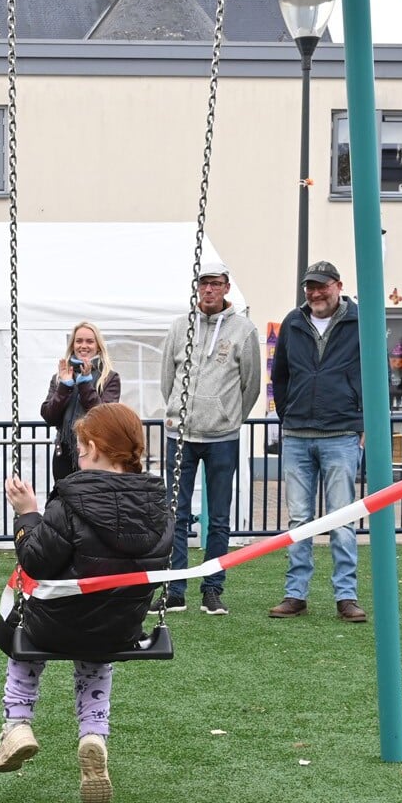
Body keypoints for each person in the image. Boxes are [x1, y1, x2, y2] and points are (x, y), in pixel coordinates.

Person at [0, 403, 172, 803]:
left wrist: (27, 515)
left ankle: (17, 724)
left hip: (57, 624)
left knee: (23, 628)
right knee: (96, 651)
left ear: (91, 446)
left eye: (79, 446)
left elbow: (35, 560)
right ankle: (93, 735)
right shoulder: (159, 505)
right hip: (120, 627)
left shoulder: (71, 499)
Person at [160, 262, 263, 616]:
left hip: (222, 436)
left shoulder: (244, 331)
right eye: (203, 284)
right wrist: (177, 410)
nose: (208, 290)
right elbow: (167, 378)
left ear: (226, 288)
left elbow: (250, 384)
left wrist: (230, 416)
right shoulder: (179, 328)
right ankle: (175, 589)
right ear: (197, 287)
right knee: (177, 514)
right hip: (181, 434)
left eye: (215, 284)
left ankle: (212, 588)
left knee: (218, 517)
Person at [267, 261, 367, 623]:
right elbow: (279, 374)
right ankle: (296, 593)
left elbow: (375, 374)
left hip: (341, 432)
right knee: (299, 519)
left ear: (338, 286)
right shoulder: (293, 323)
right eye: (309, 286)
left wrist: (362, 421)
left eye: (321, 286)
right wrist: (287, 414)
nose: (314, 293)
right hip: (297, 434)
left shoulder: (361, 322)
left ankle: (346, 595)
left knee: (343, 519)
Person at [40, 322, 122, 487]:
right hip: (63, 454)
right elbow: (49, 416)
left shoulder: (110, 378)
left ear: (98, 346)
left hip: (95, 455)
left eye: (89, 341)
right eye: (79, 341)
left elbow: (103, 417)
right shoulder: (60, 376)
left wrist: (85, 383)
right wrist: (64, 386)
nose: (83, 346)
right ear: (72, 345)